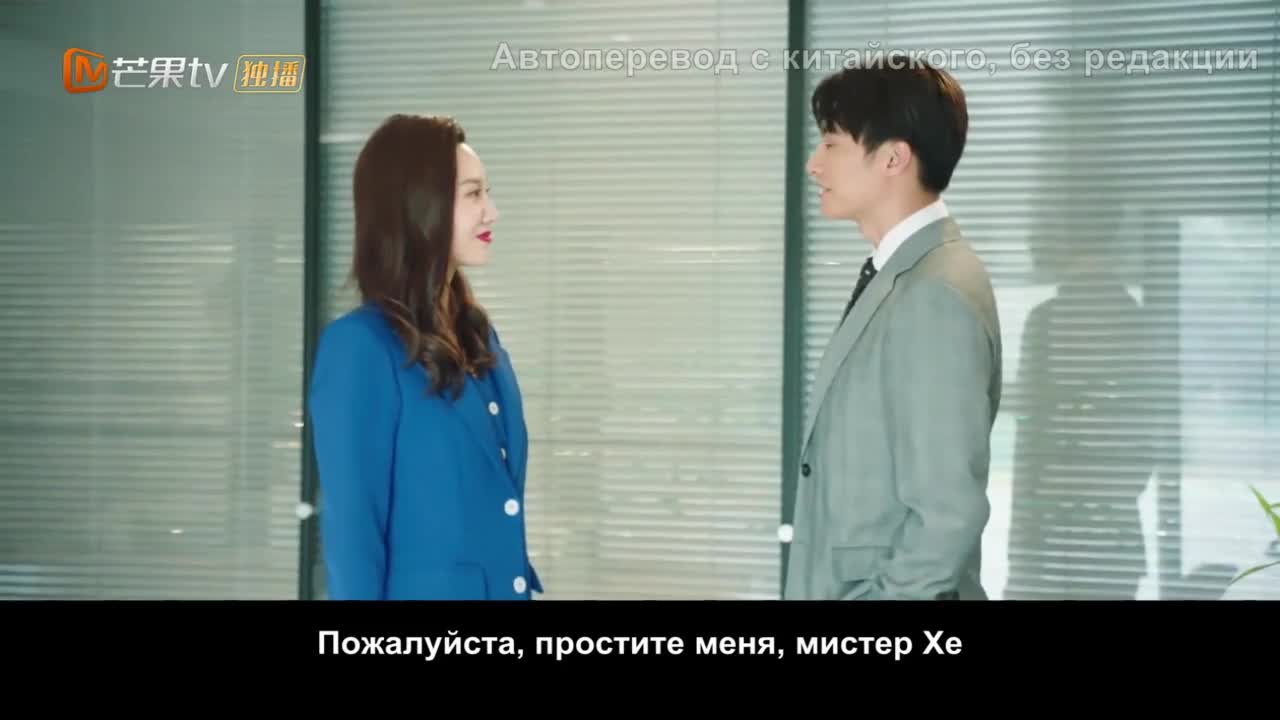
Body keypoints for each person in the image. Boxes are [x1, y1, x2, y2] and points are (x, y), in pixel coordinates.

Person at [782, 60, 1002, 601]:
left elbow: (947, 515)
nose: (813, 164)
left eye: (831, 144)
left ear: (893, 158)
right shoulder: (905, 274)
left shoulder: (934, 292)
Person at [307, 113, 542, 600]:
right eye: (473, 194)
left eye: (487, 193)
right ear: (420, 207)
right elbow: (353, 537)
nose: (492, 212)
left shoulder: (477, 336)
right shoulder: (361, 347)